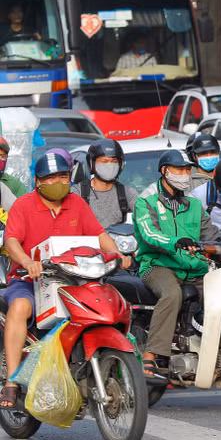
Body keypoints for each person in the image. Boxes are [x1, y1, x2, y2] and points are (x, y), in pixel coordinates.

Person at [0, 152, 129, 407]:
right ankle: (12, 382)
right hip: (30, 280)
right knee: (19, 308)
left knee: (112, 304)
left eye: (62, 176)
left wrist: (117, 253)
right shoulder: (23, 205)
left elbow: (98, 234)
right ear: (38, 181)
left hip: (75, 280)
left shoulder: (77, 203)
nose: (58, 182)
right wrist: (27, 262)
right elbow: (11, 240)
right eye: (50, 178)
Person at [133, 149, 221, 382]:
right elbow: (149, 235)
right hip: (157, 265)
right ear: (164, 171)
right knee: (172, 294)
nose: (185, 174)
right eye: (179, 169)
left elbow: (211, 234)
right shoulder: (146, 202)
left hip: (193, 266)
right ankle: (151, 355)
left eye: (187, 170)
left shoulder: (193, 204)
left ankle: (220, 351)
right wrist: (176, 242)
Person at [71, 138, 137, 228]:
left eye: (114, 161)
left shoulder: (128, 193)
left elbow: (145, 217)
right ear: (91, 164)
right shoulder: (77, 193)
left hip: (120, 241)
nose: (109, 165)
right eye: (104, 161)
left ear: (120, 165)